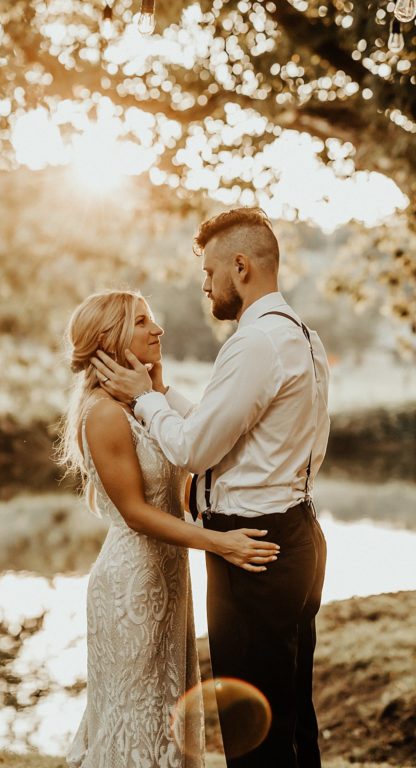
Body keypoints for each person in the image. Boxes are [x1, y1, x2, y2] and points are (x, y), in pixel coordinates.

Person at [93, 207, 330, 768]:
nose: (204, 286)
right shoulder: (300, 335)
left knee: (255, 729)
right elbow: (224, 428)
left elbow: (196, 450)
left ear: (240, 267)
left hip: (254, 548)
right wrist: (160, 392)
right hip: (294, 530)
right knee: (291, 715)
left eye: (208, 273)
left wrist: (145, 398)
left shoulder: (255, 343)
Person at [57, 288, 281, 767]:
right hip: (130, 586)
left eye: (152, 320)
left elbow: (198, 447)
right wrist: (220, 544)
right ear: (109, 338)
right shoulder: (103, 415)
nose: (157, 330)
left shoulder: (142, 407)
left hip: (168, 577)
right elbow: (137, 513)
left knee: (168, 712)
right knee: (136, 714)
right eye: (142, 322)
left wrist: (156, 391)